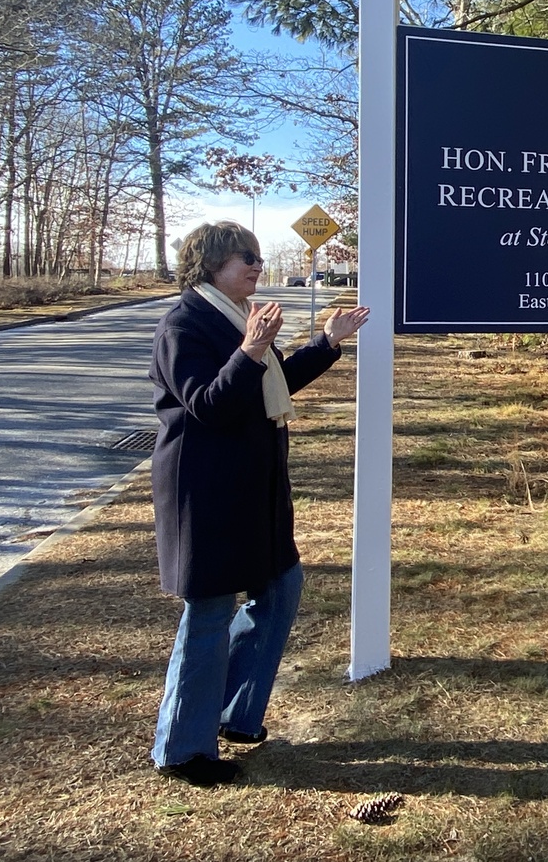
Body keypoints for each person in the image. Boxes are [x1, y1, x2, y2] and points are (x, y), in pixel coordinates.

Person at [149, 221, 370, 785]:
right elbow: (210, 405)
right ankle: (182, 750)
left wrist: (326, 341)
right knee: (209, 612)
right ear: (209, 266)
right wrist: (251, 348)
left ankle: (236, 715)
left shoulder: (236, 318)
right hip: (207, 494)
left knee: (282, 587)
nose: (254, 263)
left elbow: (270, 387)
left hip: (257, 487)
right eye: (242, 257)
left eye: (254, 256)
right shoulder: (185, 324)